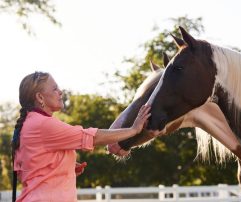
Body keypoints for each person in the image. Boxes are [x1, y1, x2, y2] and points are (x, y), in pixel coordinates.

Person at [11, 71, 151, 202]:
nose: (60, 92)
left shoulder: (31, 123)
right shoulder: (42, 124)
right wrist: (133, 129)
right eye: (54, 89)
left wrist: (63, 167)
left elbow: (28, 171)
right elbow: (93, 137)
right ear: (40, 97)